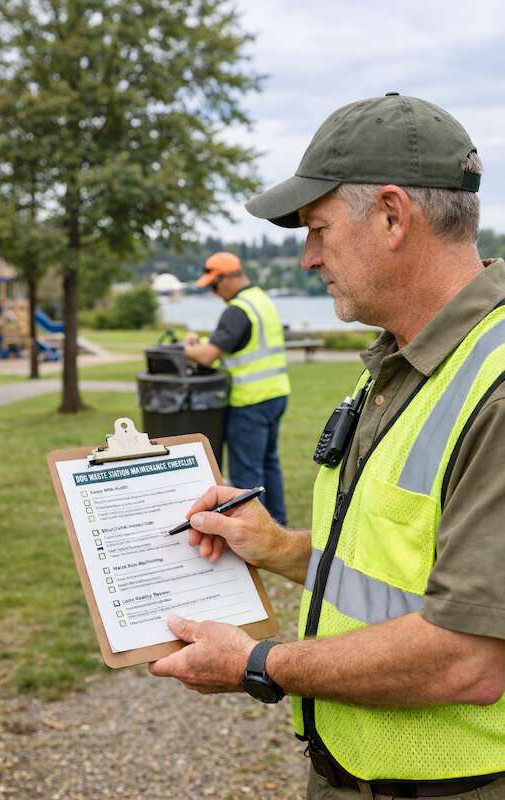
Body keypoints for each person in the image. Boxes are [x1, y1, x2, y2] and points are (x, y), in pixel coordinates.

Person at [150, 93, 505, 799]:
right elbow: (392, 576)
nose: (308, 258)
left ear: (392, 216)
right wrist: (277, 547)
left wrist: (259, 663)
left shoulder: (493, 388)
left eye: (318, 229)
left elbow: (469, 658)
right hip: (355, 773)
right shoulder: (404, 360)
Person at [183, 251, 290, 525]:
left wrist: (190, 347)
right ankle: (278, 525)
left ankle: (255, 531)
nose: (214, 292)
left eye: (214, 285)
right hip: (275, 394)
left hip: (249, 401)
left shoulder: (238, 310)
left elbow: (207, 356)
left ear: (228, 277)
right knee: (269, 463)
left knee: (246, 473)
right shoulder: (261, 300)